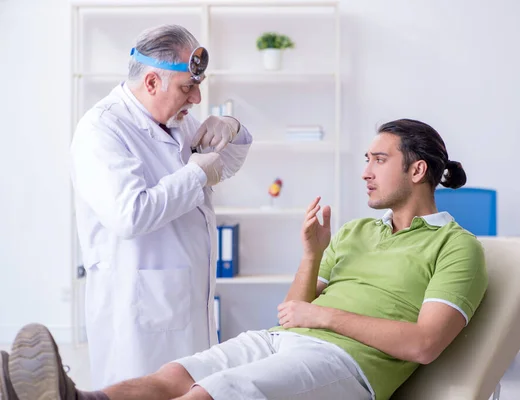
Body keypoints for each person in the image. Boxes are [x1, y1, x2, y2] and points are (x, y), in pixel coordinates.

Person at [2, 119, 487, 400]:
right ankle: (76, 398)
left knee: (209, 395)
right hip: (284, 341)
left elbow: (425, 344)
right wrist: (311, 254)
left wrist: (323, 315)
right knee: (173, 376)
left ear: (417, 170)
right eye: (365, 159)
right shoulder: (357, 230)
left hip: (348, 366)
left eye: (378, 160)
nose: (364, 173)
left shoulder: (456, 247)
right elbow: (292, 313)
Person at [69, 24, 252, 388]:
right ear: (152, 83)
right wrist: (195, 176)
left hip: (184, 301)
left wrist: (231, 127)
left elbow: (222, 166)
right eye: (188, 88)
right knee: (140, 390)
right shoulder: (102, 129)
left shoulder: (175, 120)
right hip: (139, 311)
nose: (197, 99)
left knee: (191, 388)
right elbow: (129, 214)